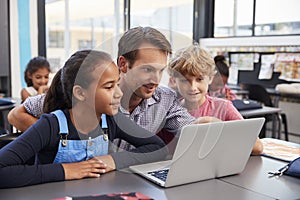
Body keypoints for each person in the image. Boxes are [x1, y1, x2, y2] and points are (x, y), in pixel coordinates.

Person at [0, 50, 167, 188]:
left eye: (117, 84)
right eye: (109, 87)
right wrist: (66, 170)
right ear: (80, 93)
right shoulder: (50, 126)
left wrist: (113, 160)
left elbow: (158, 148)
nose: (119, 93)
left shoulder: (111, 120)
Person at [8, 27, 195, 150]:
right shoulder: (90, 94)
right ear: (123, 64)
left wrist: (209, 125)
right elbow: (16, 115)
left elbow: (191, 130)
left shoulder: (166, 99)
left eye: (160, 70)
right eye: (147, 69)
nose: (155, 79)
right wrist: (57, 142)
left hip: (128, 181)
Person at [168, 44, 263, 155]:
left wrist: (221, 127)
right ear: (174, 81)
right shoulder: (170, 111)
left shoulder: (224, 107)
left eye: (199, 79)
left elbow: (258, 148)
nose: (193, 87)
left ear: (210, 78)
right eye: (184, 81)